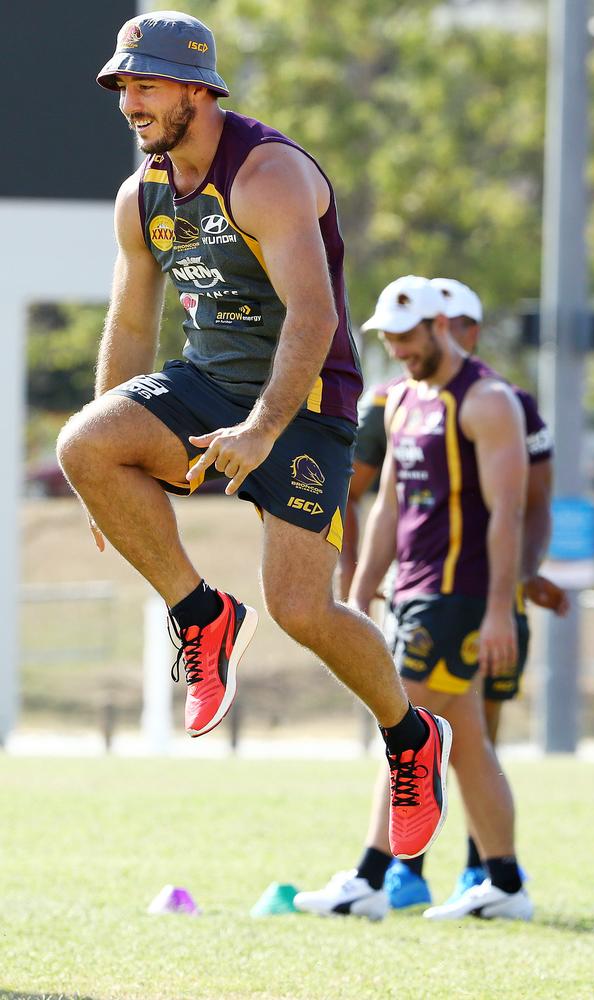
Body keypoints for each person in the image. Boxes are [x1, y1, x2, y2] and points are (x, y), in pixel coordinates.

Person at [55, 11, 451, 861]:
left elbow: (316, 315)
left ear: (199, 88)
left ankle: (411, 736)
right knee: (81, 444)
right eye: (123, 86)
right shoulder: (144, 195)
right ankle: (202, 616)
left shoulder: (266, 174)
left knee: (305, 609)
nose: (131, 102)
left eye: (148, 84)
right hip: (205, 386)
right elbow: (130, 328)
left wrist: (265, 428)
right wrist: (102, 468)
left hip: (306, 405)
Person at [294, 275, 533, 922]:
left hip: (458, 596)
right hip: (414, 592)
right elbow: (387, 505)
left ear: (440, 326)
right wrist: (362, 586)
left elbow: (508, 512)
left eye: (406, 336)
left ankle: (372, 875)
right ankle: (506, 883)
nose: (397, 348)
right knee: (470, 743)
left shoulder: (486, 400)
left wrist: (496, 610)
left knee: (407, 733)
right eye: (389, 339)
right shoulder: (400, 400)